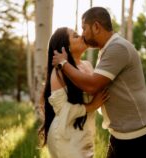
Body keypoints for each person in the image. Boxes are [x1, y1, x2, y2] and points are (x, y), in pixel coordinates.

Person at [52, 7, 146, 158]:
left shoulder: (117, 48)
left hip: (137, 133)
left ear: (96, 27)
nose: (82, 34)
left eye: (84, 28)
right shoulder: (107, 49)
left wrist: (64, 64)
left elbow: (92, 85)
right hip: (121, 133)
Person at [38, 27, 109, 158]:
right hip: (66, 136)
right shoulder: (58, 72)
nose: (82, 36)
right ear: (65, 47)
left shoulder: (87, 65)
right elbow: (62, 109)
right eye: (75, 36)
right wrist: (92, 106)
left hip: (85, 132)